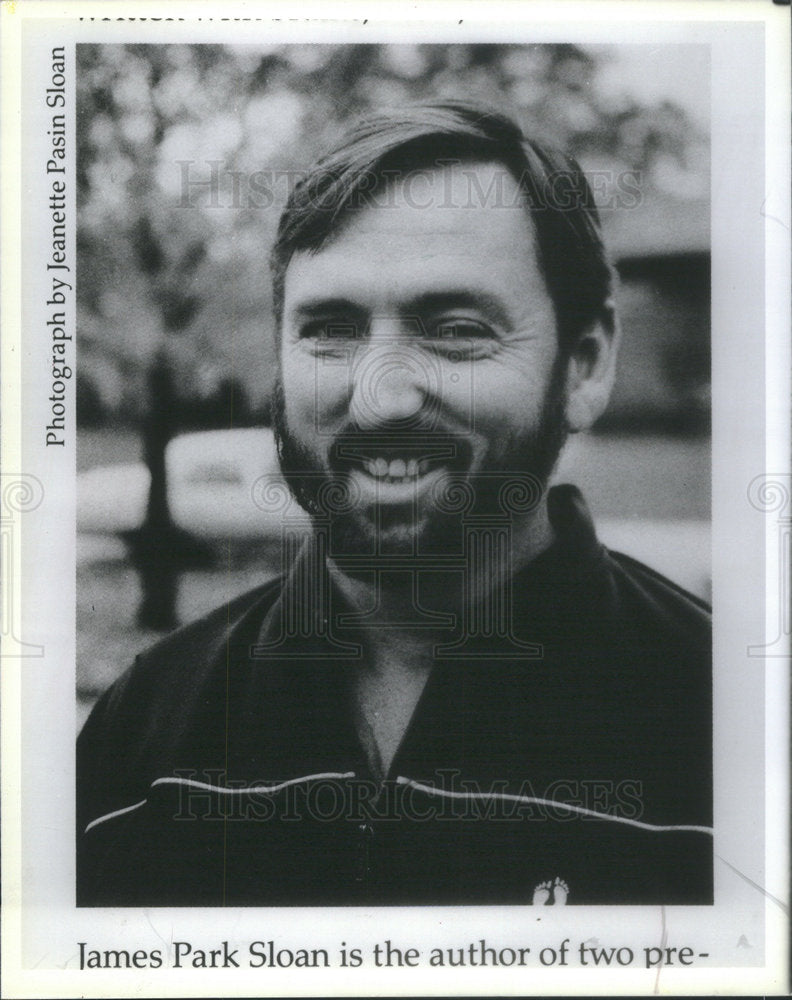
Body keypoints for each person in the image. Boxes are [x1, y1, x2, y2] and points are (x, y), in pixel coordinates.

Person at [77, 101, 712, 906]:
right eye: (330, 330)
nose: (379, 400)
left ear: (584, 365)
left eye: (454, 329)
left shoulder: (727, 729)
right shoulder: (147, 734)